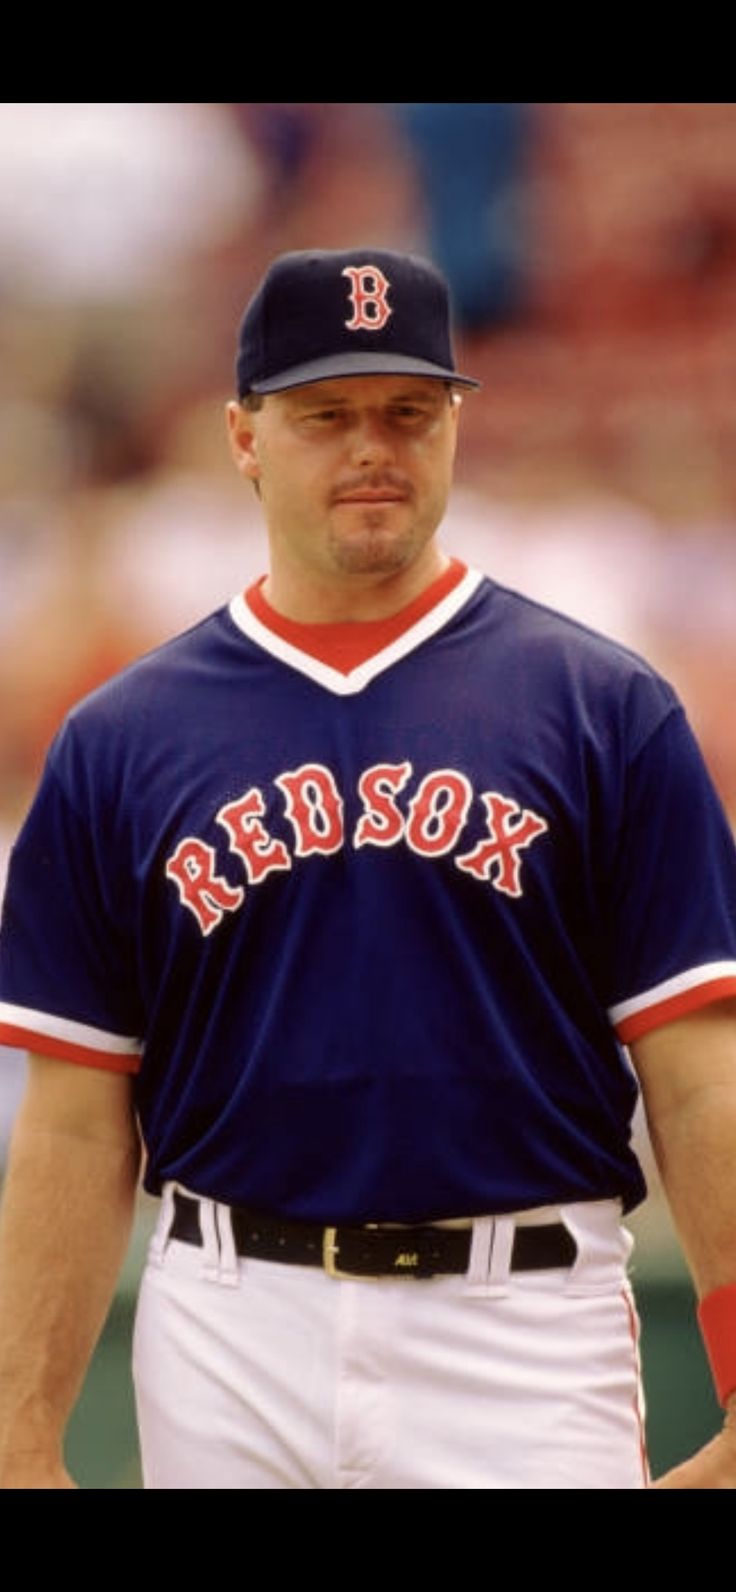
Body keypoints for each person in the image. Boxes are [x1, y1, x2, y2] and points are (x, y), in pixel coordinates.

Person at [0, 247, 736, 1491]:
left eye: (408, 410)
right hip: (224, 1318)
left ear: (456, 422)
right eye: (323, 414)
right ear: (244, 436)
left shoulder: (603, 706)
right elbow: (74, 1124)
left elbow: (700, 1076)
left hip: (522, 1329)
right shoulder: (121, 736)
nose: (370, 448)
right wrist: (20, 1436)